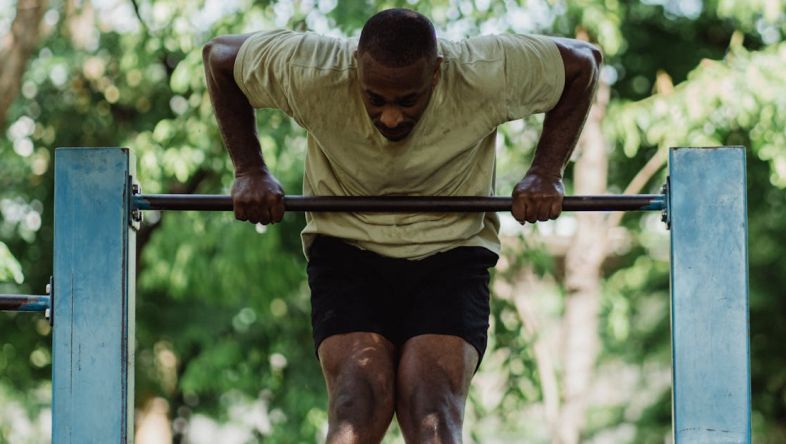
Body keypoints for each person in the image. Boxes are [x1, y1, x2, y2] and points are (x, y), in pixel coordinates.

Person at [203, 8, 600, 443]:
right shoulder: (310, 69)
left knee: (430, 406)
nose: (391, 117)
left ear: (436, 73)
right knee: (357, 402)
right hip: (346, 246)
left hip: (452, 251)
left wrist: (547, 172)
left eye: (407, 100)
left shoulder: (485, 71)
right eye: (375, 98)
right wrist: (249, 170)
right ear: (355, 66)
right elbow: (219, 56)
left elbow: (584, 62)